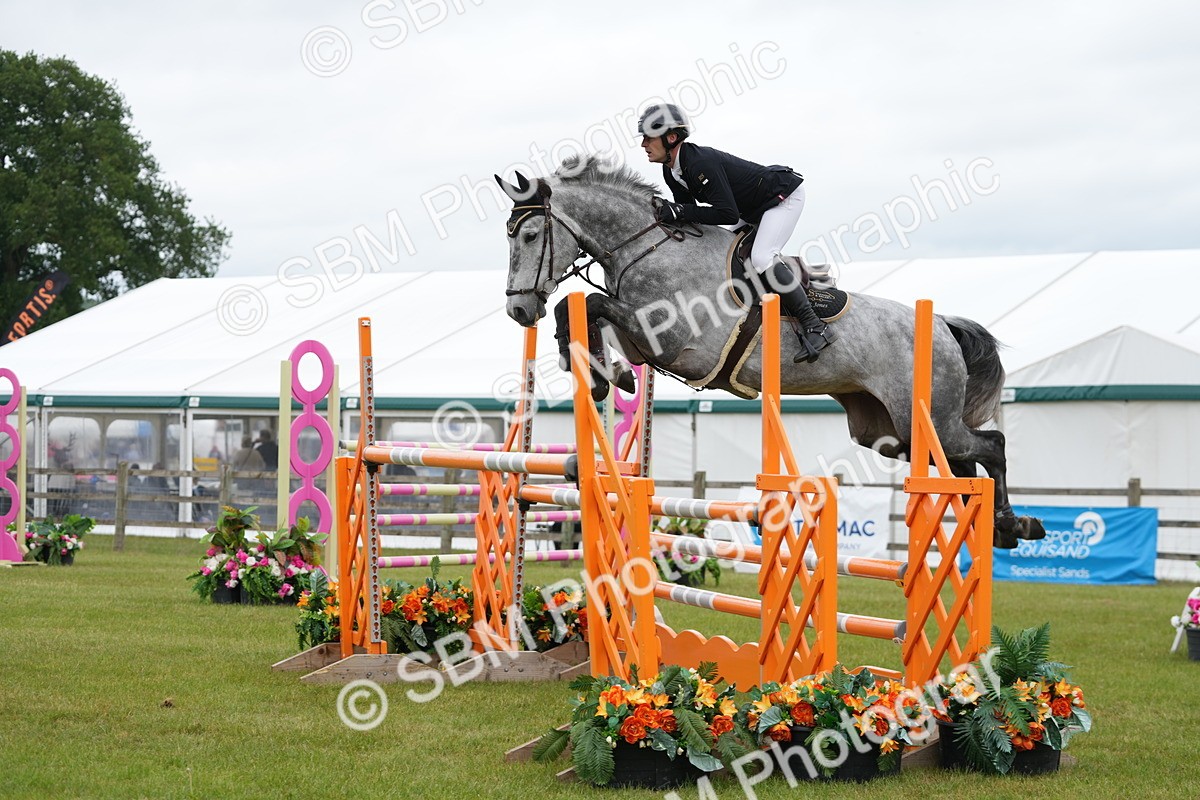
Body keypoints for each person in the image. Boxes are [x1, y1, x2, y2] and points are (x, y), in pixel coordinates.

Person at [638, 103, 835, 363]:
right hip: (750, 207)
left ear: (670, 137)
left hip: (781, 198)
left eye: (648, 137)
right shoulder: (671, 170)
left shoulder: (700, 162)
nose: (643, 144)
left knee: (762, 256)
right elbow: (691, 215)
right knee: (725, 251)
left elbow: (726, 215)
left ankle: (815, 326)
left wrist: (679, 212)